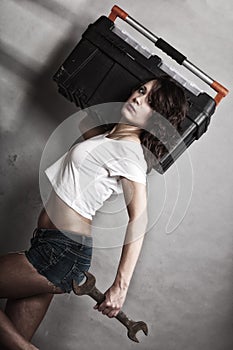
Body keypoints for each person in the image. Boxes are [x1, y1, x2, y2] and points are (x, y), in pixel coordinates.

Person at [0, 76, 187, 349]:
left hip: (62, 252)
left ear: (156, 118)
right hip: (50, 245)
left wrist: (120, 288)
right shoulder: (110, 137)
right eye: (141, 90)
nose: (138, 98)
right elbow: (86, 123)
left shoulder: (130, 154)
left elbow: (139, 218)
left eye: (150, 102)